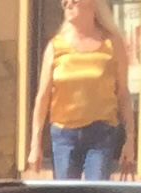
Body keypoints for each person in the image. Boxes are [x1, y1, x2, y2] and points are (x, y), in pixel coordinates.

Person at [30, 0, 131, 182]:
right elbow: (43, 98)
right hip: (64, 135)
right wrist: (35, 145)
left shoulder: (112, 44)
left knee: (95, 192)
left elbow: (123, 93)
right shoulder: (55, 47)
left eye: (74, 1)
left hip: (101, 134)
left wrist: (130, 140)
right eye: (65, 2)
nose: (68, 5)